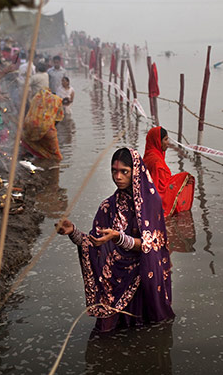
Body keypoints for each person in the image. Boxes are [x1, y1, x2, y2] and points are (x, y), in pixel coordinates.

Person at [56, 148, 174, 332]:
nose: (118, 177)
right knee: (107, 332)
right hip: (114, 281)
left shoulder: (151, 204)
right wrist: (73, 232)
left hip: (143, 278)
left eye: (124, 172)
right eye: (114, 171)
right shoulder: (107, 207)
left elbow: (152, 246)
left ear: (135, 172)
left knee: (147, 332)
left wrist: (119, 238)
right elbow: (94, 243)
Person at [143, 127, 195, 217]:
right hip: (154, 204)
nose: (168, 143)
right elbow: (159, 189)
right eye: (165, 139)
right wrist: (182, 178)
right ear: (157, 141)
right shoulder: (156, 161)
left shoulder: (150, 155)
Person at [22, 81, 64, 160]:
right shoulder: (57, 101)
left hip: (30, 128)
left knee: (37, 149)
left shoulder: (36, 98)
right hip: (48, 130)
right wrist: (49, 125)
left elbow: (29, 113)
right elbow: (59, 118)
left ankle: (42, 168)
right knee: (57, 157)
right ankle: (53, 170)